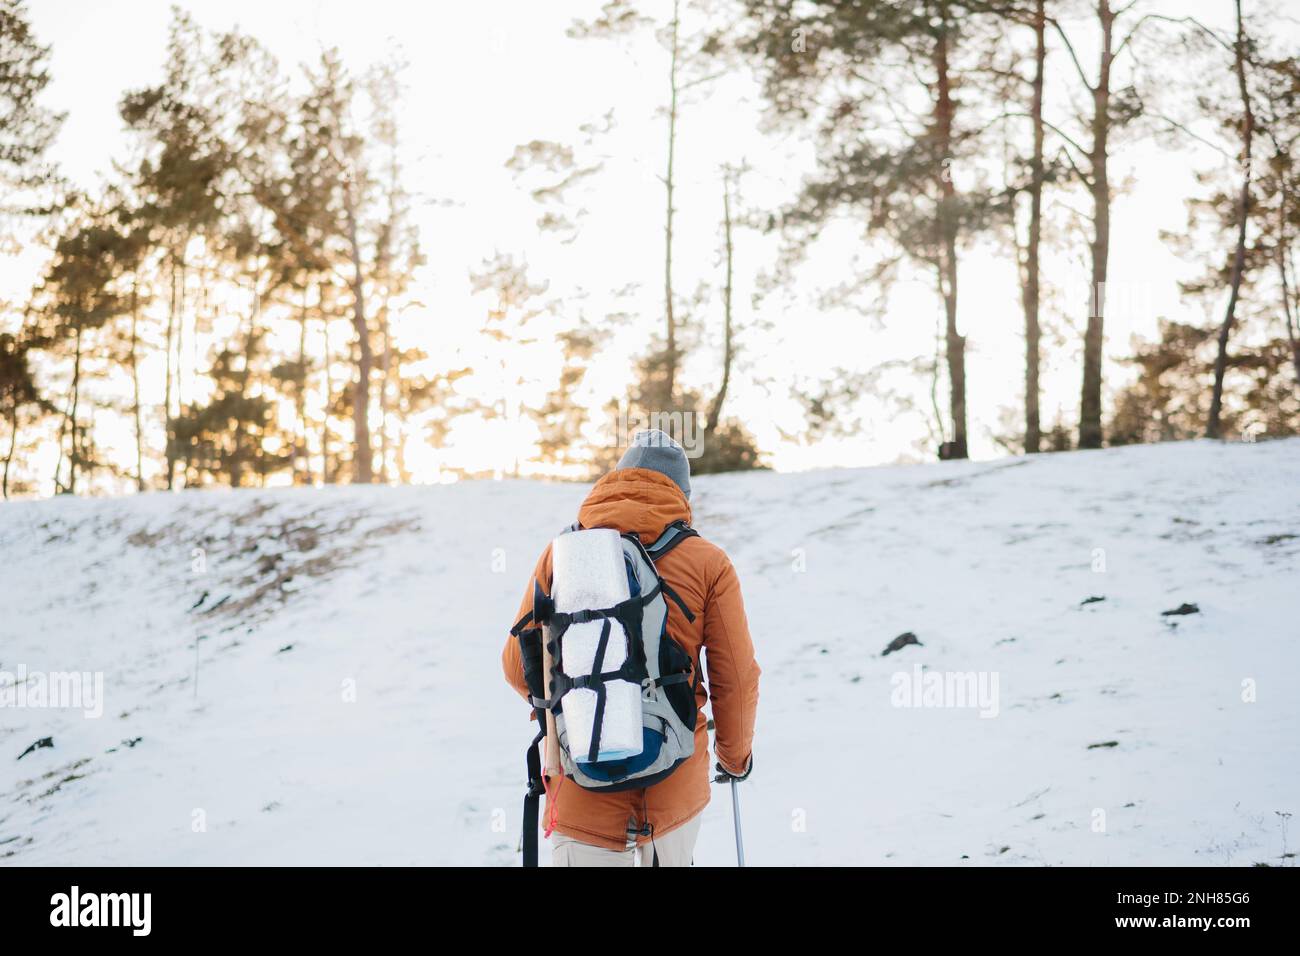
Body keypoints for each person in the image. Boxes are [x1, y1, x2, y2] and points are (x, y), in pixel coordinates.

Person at [502, 429, 761, 866]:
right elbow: (735, 677)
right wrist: (734, 759)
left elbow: (516, 665)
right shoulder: (707, 562)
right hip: (672, 792)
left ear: (616, 479)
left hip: (581, 788)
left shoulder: (562, 554)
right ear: (681, 493)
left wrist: (572, 706)